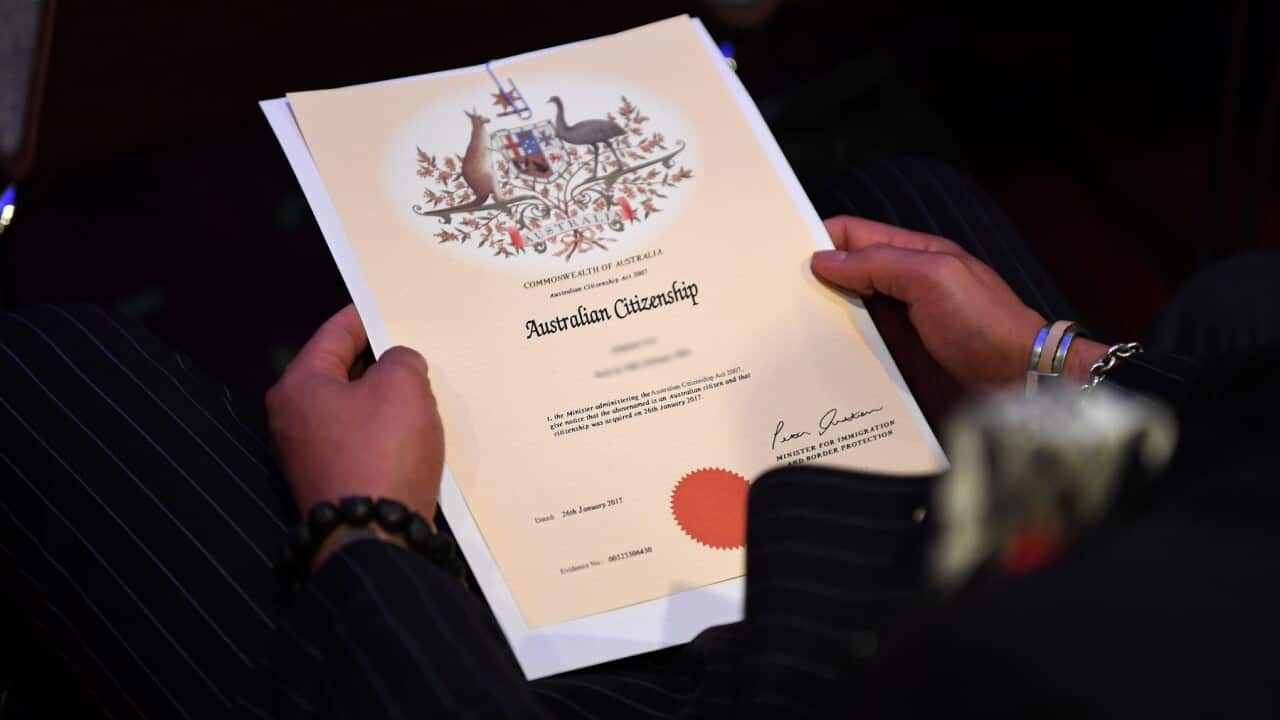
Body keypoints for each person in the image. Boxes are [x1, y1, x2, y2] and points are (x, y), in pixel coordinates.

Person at [1, 158, 1276, 719]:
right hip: (1003, 548)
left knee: (52, 369)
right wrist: (1053, 354)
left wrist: (366, 532)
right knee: (898, 199)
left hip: (828, 664)